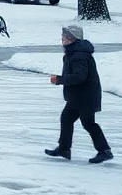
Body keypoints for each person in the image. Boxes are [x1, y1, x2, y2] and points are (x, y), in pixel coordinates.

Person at [45, 24, 113, 164]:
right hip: (78, 97)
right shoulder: (73, 52)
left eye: (64, 37)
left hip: (85, 97)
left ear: (71, 39)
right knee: (66, 119)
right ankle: (64, 148)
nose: (62, 39)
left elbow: (79, 77)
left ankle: (105, 151)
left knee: (88, 123)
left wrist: (59, 80)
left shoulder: (78, 55)